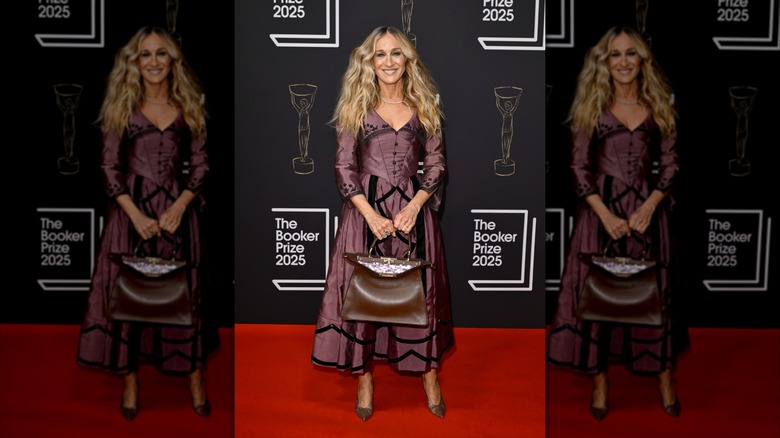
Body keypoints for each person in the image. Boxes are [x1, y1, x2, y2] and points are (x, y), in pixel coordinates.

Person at [310, 26, 454, 421]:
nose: (388, 62)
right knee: (364, 297)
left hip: (415, 214)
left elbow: (437, 165)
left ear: (408, 60)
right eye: (380, 54)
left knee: (419, 295)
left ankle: (428, 374)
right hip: (364, 214)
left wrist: (415, 207)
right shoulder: (355, 106)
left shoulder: (425, 104)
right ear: (368, 62)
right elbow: (344, 167)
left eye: (396, 54)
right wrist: (370, 215)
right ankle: (364, 378)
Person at [547, 26, 688, 421]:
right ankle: (600, 379)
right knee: (600, 298)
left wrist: (651, 206)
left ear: (642, 61)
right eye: (615, 55)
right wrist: (605, 214)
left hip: (648, 212)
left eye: (631, 54)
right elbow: (577, 167)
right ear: (603, 62)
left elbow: (672, 164)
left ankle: (664, 377)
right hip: (600, 213)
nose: (623, 62)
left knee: (654, 296)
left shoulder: (658, 104)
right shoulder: (592, 106)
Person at [76, 26, 217, 421]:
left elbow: (202, 165)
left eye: (161, 54)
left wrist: (180, 207)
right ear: (134, 62)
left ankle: (194, 376)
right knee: (129, 298)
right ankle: (130, 380)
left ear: (172, 61)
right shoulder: (122, 105)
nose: (153, 62)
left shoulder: (188, 104)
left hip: (178, 213)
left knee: (184, 297)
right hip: (130, 213)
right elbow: (108, 167)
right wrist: (135, 214)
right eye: (145, 55)